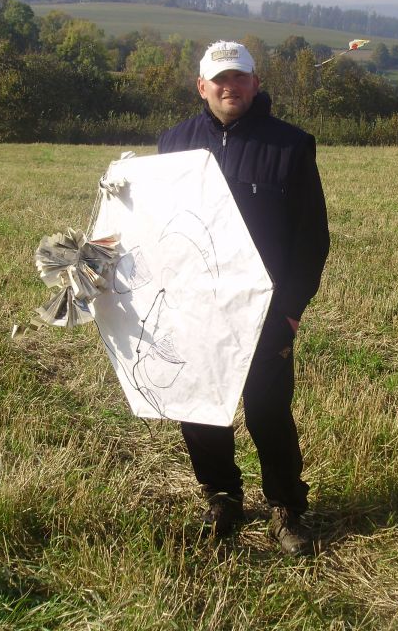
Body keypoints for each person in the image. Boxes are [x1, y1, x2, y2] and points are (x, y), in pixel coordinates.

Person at [158, 41, 330, 555]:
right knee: (200, 406)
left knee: (267, 409)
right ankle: (221, 496)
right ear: (202, 87)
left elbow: (311, 238)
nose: (229, 87)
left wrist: (291, 312)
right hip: (194, 305)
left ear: (255, 84)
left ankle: (286, 507)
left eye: (239, 78)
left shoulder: (290, 145)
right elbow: (157, 226)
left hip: (265, 311)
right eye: (220, 79)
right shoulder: (174, 144)